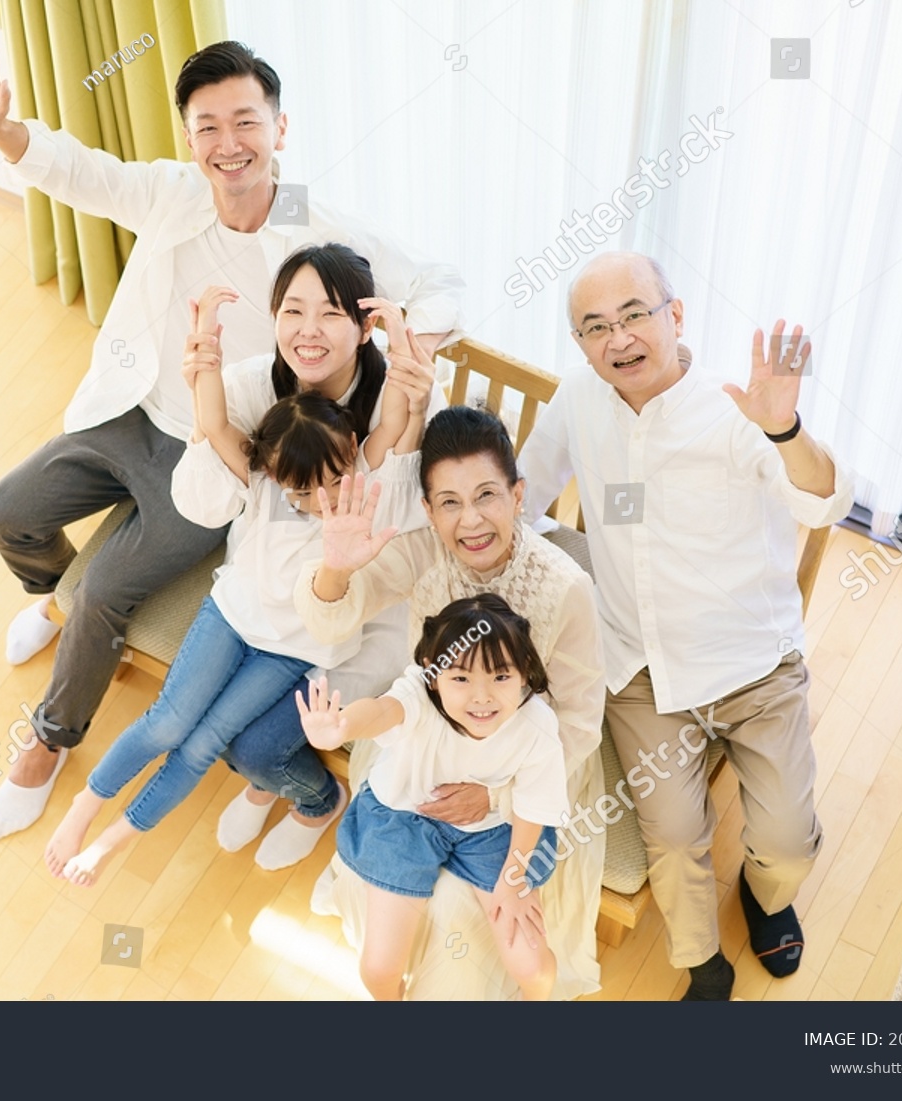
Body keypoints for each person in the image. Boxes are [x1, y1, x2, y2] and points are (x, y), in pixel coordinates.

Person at [0, 32, 463, 840]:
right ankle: (49, 599)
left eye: (246, 122)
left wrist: (409, 342)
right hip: (128, 411)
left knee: (103, 593)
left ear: (279, 129)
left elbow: (441, 286)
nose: (229, 145)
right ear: (189, 138)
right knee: (4, 514)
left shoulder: (317, 232)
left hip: (218, 450)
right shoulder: (173, 194)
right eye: (209, 127)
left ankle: (51, 738)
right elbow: (80, 172)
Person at [517, 251, 853, 1000]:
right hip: (641, 672)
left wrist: (786, 429)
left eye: (635, 314)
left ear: (676, 316)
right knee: (672, 835)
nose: (619, 338)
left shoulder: (739, 413)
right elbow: (523, 497)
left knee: (787, 842)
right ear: (580, 344)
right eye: (595, 327)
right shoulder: (578, 398)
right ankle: (701, 958)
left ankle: (766, 900)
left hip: (753, 666)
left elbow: (824, 504)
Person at [41, 284, 425, 885]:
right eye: (302, 490)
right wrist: (205, 354)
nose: (320, 500)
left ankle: (113, 842)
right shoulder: (261, 475)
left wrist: (401, 339)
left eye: (330, 481)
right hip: (231, 614)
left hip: (291, 650)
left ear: (353, 449)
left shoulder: (367, 471)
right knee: (168, 723)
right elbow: (214, 421)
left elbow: (399, 415)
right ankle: (82, 811)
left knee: (203, 746)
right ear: (272, 472)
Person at [295, 406, 607, 1000]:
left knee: (479, 920)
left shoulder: (566, 588)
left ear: (518, 496)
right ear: (428, 510)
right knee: (400, 919)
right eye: (449, 503)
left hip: (528, 760)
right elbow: (330, 617)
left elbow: (578, 724)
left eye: (487, 495)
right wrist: (335, 568)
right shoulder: (422, 552)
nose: (471, 521)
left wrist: (497, 794)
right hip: (426, 742)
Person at [172, 243, 447, 871]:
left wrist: (417, 409)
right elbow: (201, 504)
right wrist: (200, 409)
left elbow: (407, 517)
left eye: (329, 314)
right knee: (212, 726)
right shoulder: (247, 384)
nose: (308, 332)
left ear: (365, 325)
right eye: (292, 311)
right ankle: (266, 781)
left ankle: (316, 799)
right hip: (269, 602)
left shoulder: (399, 398)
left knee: (258, 747)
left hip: (361, 613)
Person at [299, 593, 567, 1001]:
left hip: (491, 830)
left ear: (525, 672)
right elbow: (382, 711)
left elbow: (533, 807)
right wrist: (341, 727)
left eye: (500, 677)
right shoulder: (419, 694)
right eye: (460, 678)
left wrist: (512, 881)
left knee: (531, 965)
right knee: (378, 968)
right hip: (405, 820)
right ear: (433, 672)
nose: (482, 697)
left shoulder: (538, 726)